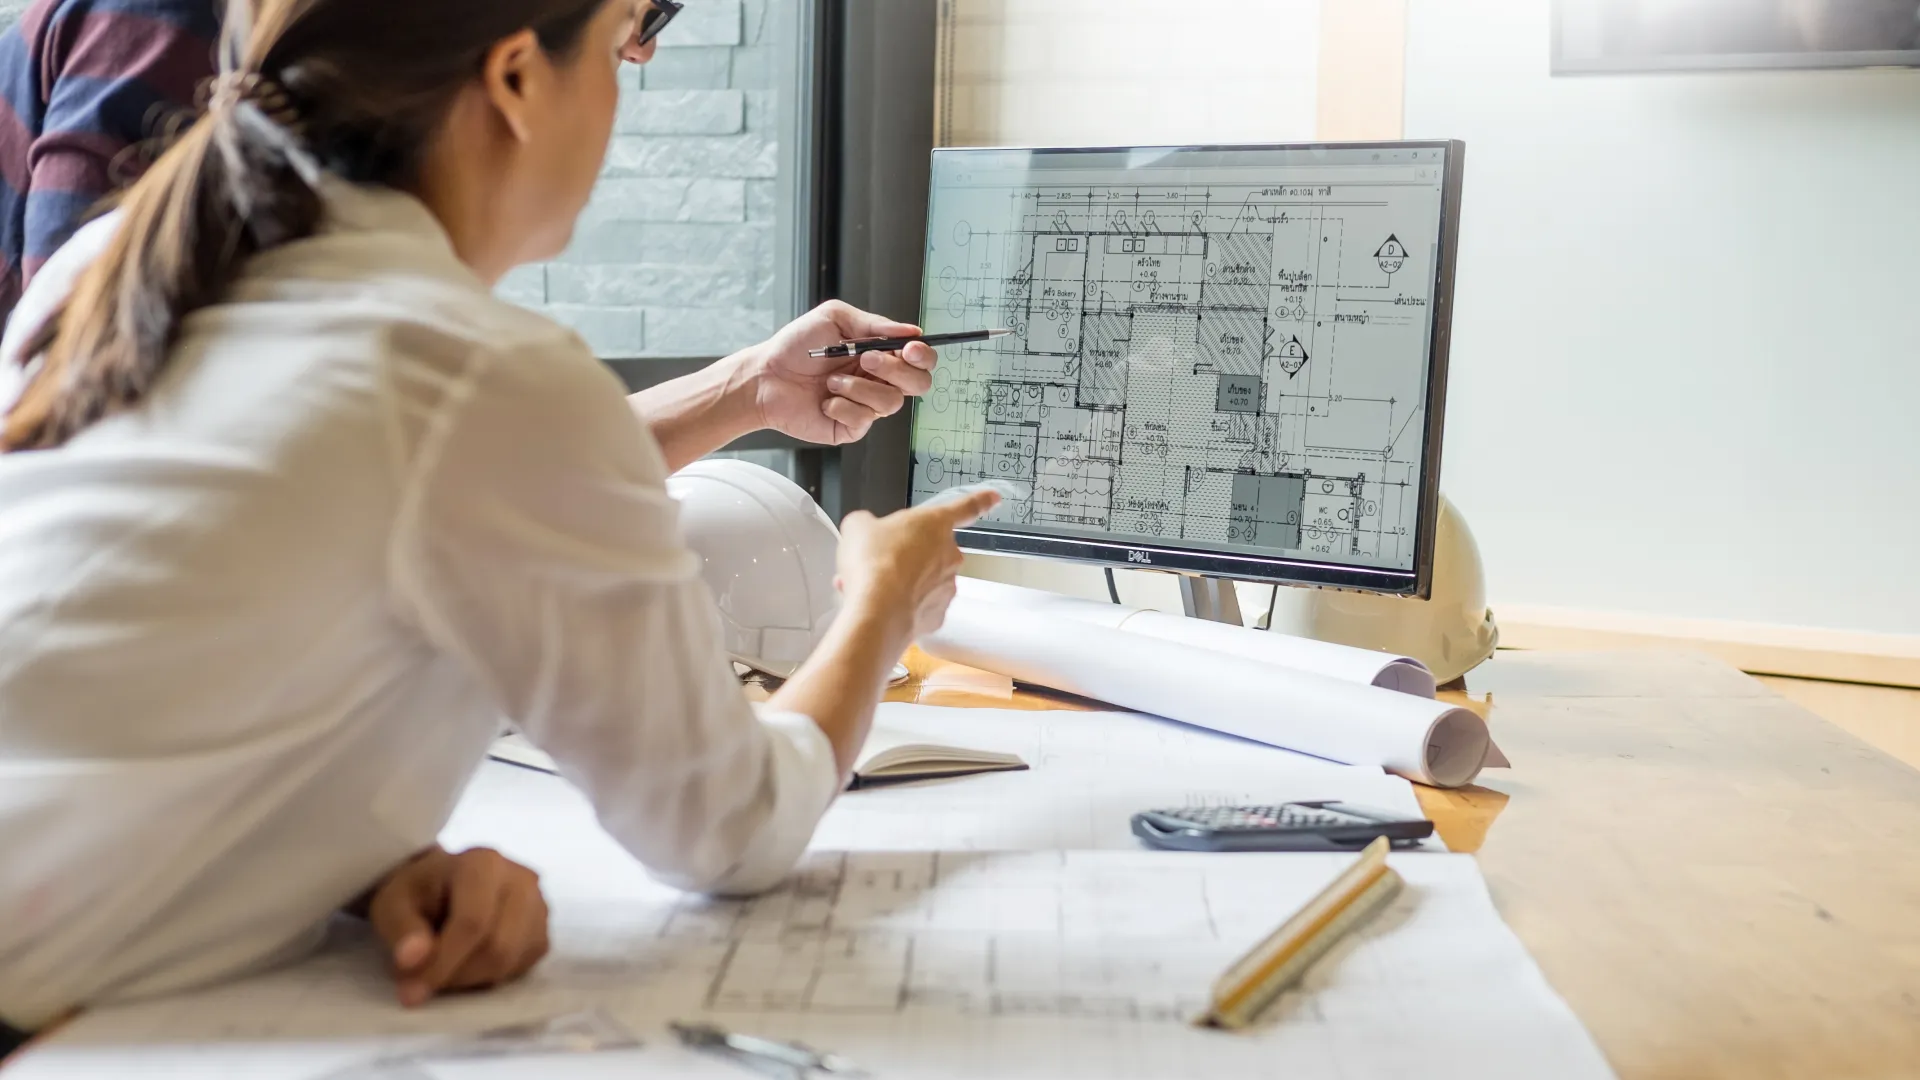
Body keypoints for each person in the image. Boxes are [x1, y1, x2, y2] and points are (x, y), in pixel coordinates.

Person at [0, 0, 997, 1051]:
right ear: (518, 78)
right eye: (619, 48)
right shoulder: (480, 371)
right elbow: (729, 828)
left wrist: (350, 864)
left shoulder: (104, 269)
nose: (628, 85)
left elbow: (125, 674)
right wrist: (885, 595)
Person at [0, 0, 671, 326]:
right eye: (642, 14)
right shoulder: (170, 20)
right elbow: (82, 371)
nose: (642, 50)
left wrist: (749, 392)